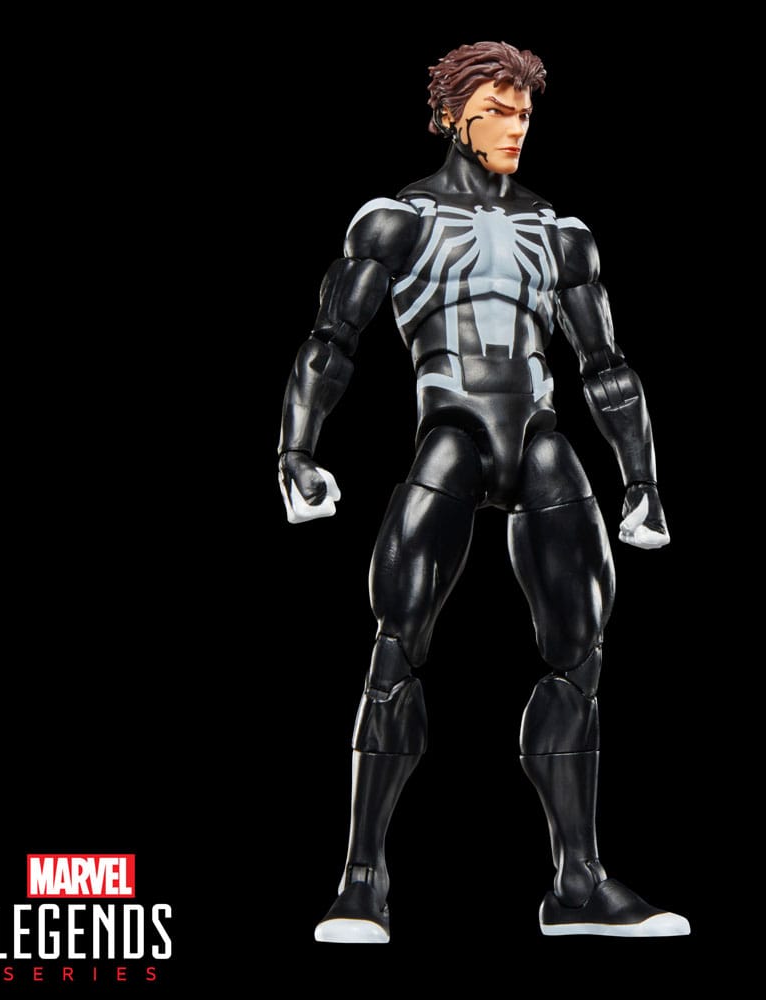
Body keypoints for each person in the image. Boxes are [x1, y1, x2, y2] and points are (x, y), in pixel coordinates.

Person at [278, 40, 689, 943]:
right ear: (450, 115)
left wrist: (643, 480)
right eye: (497, 110)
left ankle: (578, 884)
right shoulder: (399, 220)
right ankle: (362, 881)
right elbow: (331, 339)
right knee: (398, 642)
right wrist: (297, 451)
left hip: (539, 441)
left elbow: (606, 365)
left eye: (524, 112)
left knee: (581, 653)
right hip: (453, 435)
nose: (515, 127)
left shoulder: (560, 231)